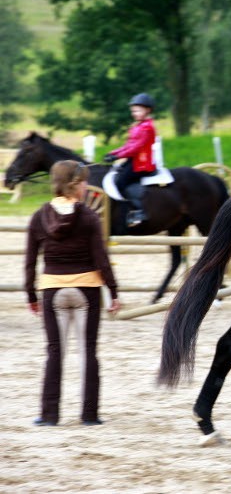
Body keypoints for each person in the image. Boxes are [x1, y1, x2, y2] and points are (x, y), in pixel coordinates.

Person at [25, 160, 121, 426]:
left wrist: (31, 296)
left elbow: (30, 261)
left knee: (55, 351)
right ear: (74, 184)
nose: (86, 187)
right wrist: (113, 291)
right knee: (88, 350)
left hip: (52, 289)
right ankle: (89, 414)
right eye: (83, 182)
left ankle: (49, 415)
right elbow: (101, 258)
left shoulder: (39, 216)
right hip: (86, 289)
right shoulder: (89, 216)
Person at [104, 93, 158, 227]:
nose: (134, 113)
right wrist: (113, 153)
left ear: (148, 110)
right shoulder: (137, 126)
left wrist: (117, 156)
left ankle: (140, 211)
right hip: (134, 160)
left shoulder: (147, 127)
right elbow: (128, 145)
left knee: (121, 182)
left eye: (138, 110)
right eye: (133, 110)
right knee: (116, 173)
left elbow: (136, 148)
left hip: (142, 163)